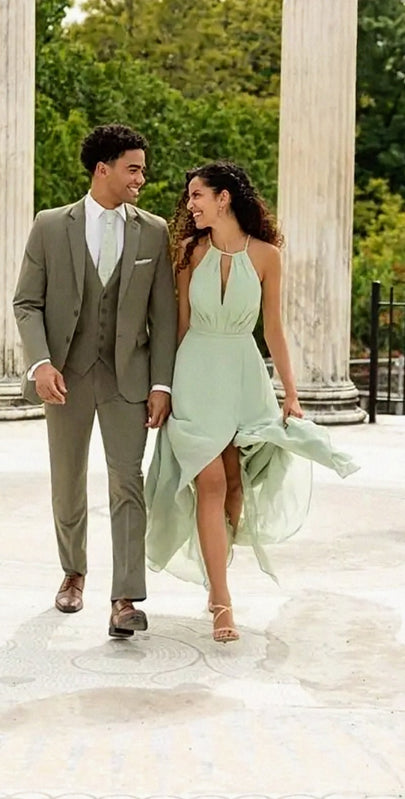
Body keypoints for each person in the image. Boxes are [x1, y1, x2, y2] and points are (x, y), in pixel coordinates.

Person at [145, 161, 359, 644]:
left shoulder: (267, 256)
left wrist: (291, 392)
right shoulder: (188, 253)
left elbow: (275, 330)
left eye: (198, 195)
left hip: (244, 376)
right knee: (211, 480)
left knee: (236, 483)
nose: (190, 206)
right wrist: (164, 387)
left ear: (224, 198)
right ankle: (222, 601)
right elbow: (176, 327)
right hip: (195, 372)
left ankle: (215, 559)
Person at [13, 124, 177, 638]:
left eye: (143, 169)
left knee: (128, 482)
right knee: (68, 479)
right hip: (65, 375)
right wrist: (40, 363)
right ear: (102, 169)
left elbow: (165, 316)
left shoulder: (153, 231)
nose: (141, 178)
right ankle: (73, 573)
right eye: (134, 168)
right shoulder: (49, 225)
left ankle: (125, 597)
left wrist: (162, 385)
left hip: (128, 377)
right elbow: (27, 303)